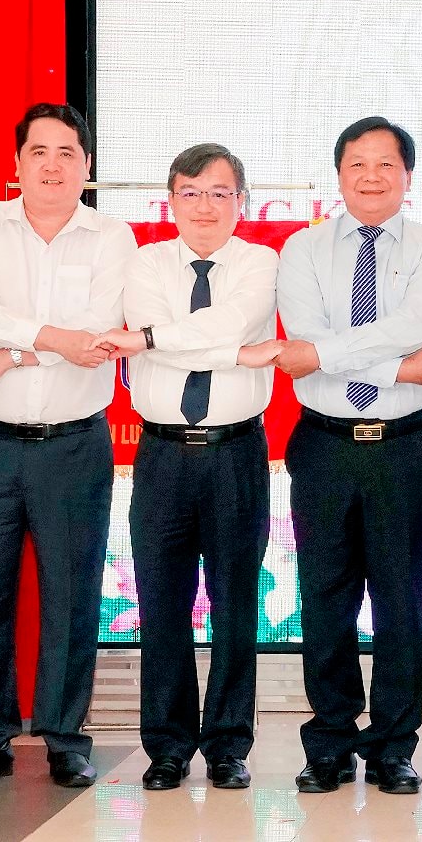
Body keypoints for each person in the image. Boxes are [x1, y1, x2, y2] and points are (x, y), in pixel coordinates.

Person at [0, 104, 136, 789]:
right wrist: (2, 352)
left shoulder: (112, 237)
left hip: (73, 447)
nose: (51, 165)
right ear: (16, 163)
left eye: (67, 153)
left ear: (87, 166)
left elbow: (96, 333)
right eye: (38, 151)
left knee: (71, 599)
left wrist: (7, 352)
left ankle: (66, 738)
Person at [273, 116, 422, 796]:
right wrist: (398, 368)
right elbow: (303, 335)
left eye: (386, 164)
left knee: (400, 600)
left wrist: (329, 356)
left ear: (408, 175)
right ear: (339, 174)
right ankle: (328, 741)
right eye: (358, 163)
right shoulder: (302, 248)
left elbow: (412, 328)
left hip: (406, 447)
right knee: (325, 596)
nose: (372, 176)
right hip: (324, 443)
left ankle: (392, 746)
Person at [95, 144, 283, 791]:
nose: (205, 206)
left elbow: (227, 322)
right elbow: (215, 337)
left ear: (241, 201)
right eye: (191, 192)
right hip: (163, 454)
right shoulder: (145, 263)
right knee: (162, 603)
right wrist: (238, 352)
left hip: (236, 452)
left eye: (220, 193)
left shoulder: (261, 262)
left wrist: (152, 341)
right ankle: (168, 746)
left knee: (236, 604)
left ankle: (228, 745)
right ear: (170, 200)